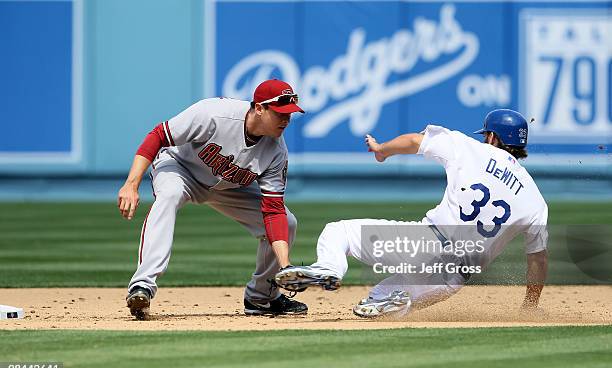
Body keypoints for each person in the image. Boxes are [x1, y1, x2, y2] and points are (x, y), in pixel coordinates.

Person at [275, 109, 549, 318]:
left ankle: (329, 269)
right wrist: (530, 306)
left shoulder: (471, 148)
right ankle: (398, 299)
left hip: (424, 244)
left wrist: (381, 151)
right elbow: (538, 261)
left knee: (339, 231)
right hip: (452, 278)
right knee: (375, 303)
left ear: (492, 137)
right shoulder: (536, 202)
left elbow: (413, 141)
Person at [118, 79, 308, 319]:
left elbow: (273, 210)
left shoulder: (276, 151)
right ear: (259, 108)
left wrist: (285, 266)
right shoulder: (214, 114)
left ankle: (261, 298)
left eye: (290, 114)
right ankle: (142, 285)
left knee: (287, 222)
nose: (286, 120)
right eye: (280, 113)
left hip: (227, 187)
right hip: (180, 168)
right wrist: (132, 183)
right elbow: (158, 135)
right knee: (170, 195)